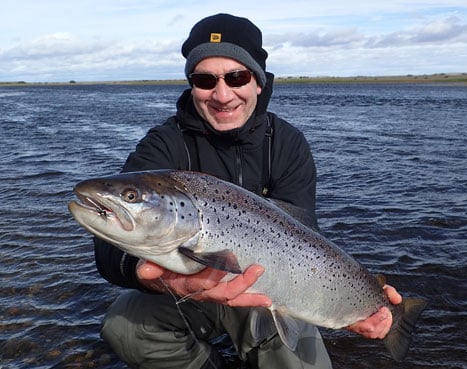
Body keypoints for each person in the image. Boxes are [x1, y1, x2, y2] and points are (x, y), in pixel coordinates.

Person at [95, 13, 401, 369]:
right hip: (186, 291)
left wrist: (354, 304)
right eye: (205, 80)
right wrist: (158, 280)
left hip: (266, 292)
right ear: (191, 85)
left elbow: (307, 240)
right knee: (124, 326)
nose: (222, 95)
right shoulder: (163, 145)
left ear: (258, 82)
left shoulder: (287, 144)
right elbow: (106, 250)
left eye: (237, 77)